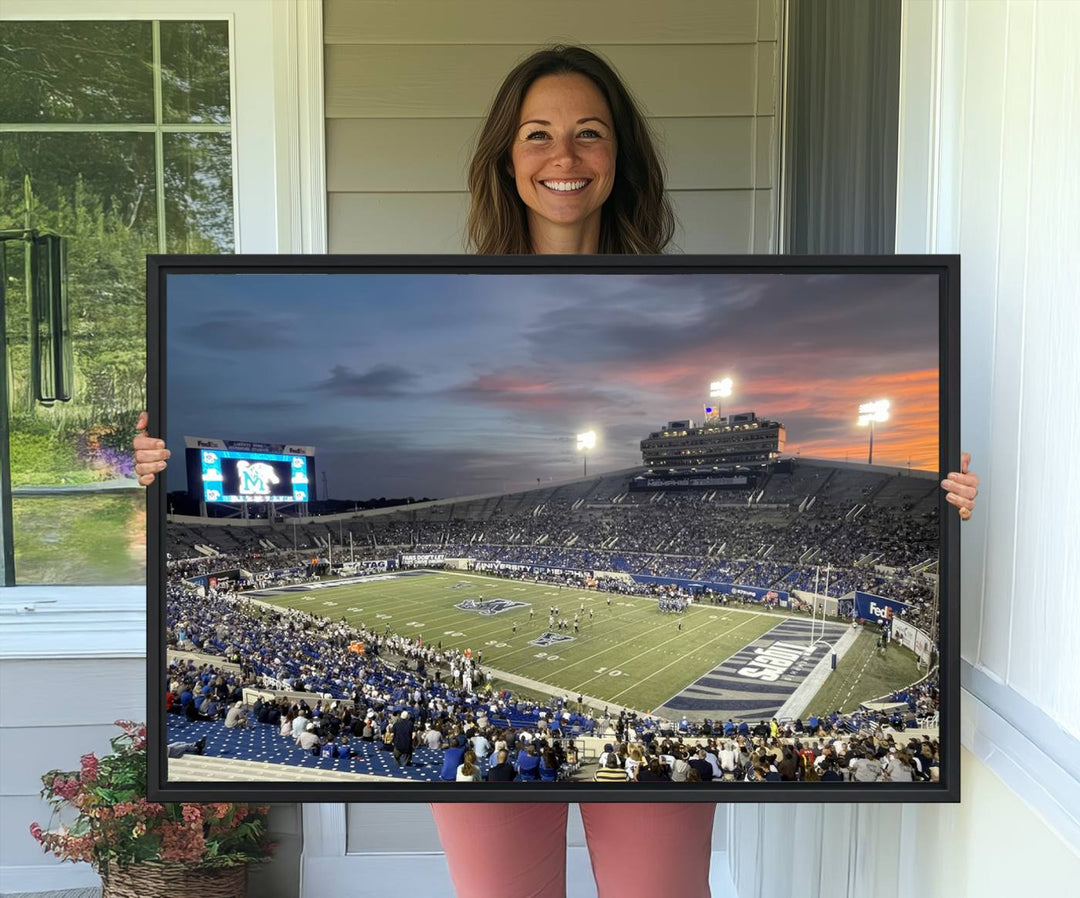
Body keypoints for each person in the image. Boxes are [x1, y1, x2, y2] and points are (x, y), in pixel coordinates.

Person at [134, 42, 981, 898]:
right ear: (506, 158)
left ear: (621, 157)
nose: (563, 157)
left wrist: (939, 503)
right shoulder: (454, 304)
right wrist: (155, 463)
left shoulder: (676, 301)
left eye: (589, 133)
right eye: (537, 134)